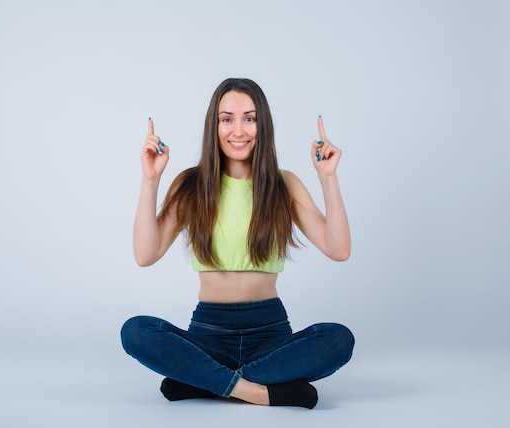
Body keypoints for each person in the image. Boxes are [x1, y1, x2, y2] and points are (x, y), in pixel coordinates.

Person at [120, 77, 354, 409]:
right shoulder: (191, 184)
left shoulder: (284, 185)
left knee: (339, 340)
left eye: (250, 118)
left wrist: (328, 178)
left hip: (270, 334)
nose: (238, 130)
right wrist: (150, 180)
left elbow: (338, 249)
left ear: (263, 125)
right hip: (208, 333)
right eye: (227, 118)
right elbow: (145, 254)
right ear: (213, 126)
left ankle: (205, 380)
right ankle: (259, 391)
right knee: (135, 331)